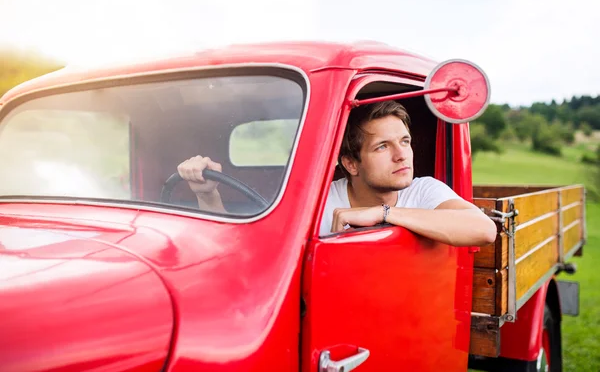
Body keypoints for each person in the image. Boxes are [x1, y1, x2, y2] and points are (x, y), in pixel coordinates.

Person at [177, 100, 497, 247]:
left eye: (405, 141)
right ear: (351, 163)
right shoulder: (319, 202)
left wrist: (384, 214)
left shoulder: (424, 190)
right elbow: (245, 249)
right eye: (382, 147)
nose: (402, 155)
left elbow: (483, 230)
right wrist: (207, 193)